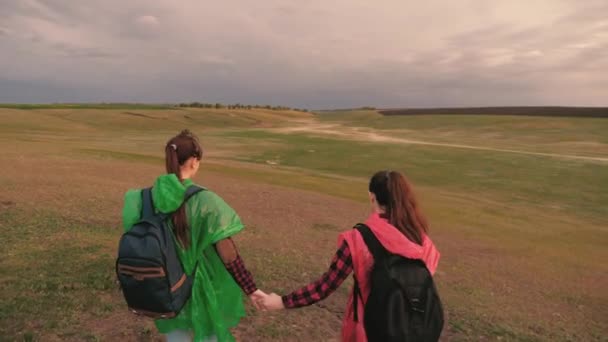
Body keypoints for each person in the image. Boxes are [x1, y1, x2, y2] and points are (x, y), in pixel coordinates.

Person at [257, 170, 441, 341]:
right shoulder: (422, 241)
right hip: (414, 331)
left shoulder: (358, 239)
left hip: (368, 330)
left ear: (372, 197)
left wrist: (281, 302)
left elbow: (324, 286)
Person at [122, 129, 266, 342]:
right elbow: (229, 255)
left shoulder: (141, 199)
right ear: (193, 161)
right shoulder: (206, 201)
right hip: (203, 293)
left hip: (166, 290)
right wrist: (251, 288)